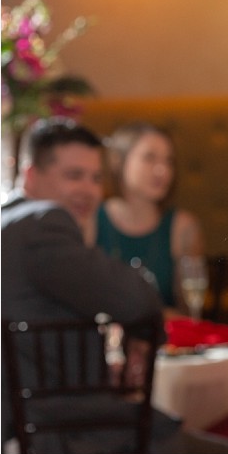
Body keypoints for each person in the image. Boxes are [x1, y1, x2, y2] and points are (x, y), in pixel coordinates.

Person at [1, 117, 228, 454]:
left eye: (95, 178)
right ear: (31, 176)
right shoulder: (44, 222)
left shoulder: (8, 224)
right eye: (74, 176)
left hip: (35, 424)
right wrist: (141, 336)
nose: (88, 190)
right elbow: (137, 298)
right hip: (71, 430)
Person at [92, 122, 206, 313]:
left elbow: (190, 313)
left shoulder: (183, 227)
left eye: (168, 161)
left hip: (165, 340)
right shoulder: (91, 220)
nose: (162, 170)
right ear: (118, 161)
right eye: (149, 158)